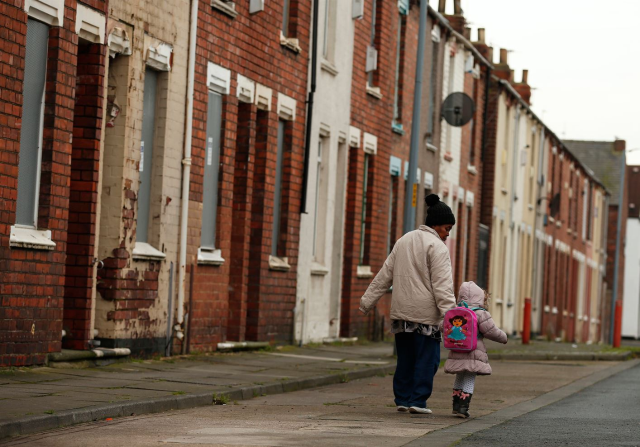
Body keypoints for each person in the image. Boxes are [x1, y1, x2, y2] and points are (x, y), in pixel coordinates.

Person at [359, 194, 457, 414]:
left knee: (405, 359)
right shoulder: (438, 248)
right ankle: (418, 401)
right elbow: (442, 287)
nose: (448, 234)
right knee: (428, 360)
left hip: (401, 315)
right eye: (447, 228)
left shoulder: (404, 240)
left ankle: (402, 398)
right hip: (425, 317)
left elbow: (385, 275)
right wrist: (452, 318)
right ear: (436, 225)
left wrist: (367, 302)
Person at [444, 281, 507, 418]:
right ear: (479, 297)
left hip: (457, 349)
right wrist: (503, 338)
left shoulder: (454, 311)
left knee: (459, 375)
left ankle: (455, 405)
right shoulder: (481, 314)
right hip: (474, 351)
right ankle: (463, 408)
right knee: (470, 376)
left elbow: (442, 326)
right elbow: (492, 331)